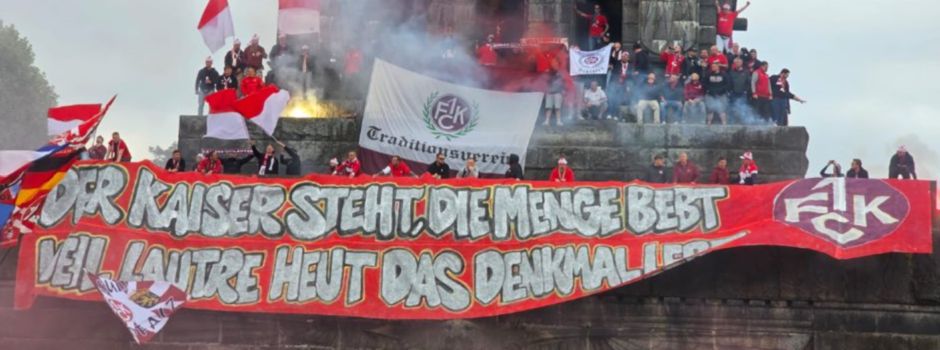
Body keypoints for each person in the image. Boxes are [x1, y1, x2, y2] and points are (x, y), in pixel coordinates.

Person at [728, 58, 751, 124]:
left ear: (741, 63)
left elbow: (748, 82)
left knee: (743, 108)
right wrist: (730, 91)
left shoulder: (746, 72)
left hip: (742, 93)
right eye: (736, 62)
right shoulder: (732, 72)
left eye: (739, 62)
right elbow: (729, 82)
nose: (737, 63)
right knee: (732, 108)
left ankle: (743, 122)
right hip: (733, 93)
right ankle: (732, 122)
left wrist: (746, 90)